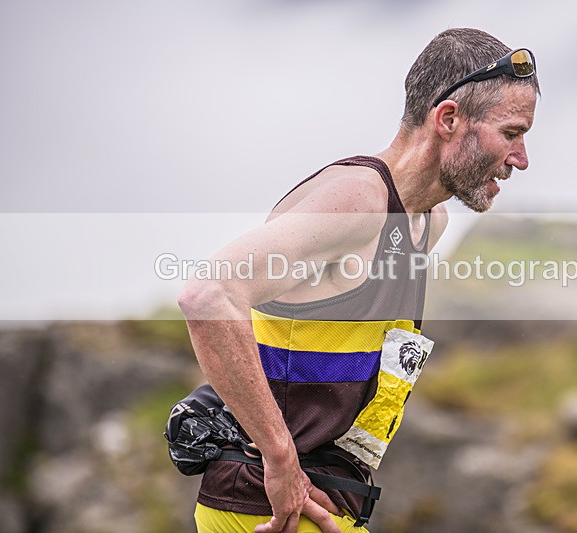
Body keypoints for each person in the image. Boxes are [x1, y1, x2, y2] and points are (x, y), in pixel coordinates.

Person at [178, 27, 540, 533]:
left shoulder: (427, 223)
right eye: (511, 133)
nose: (522, 157)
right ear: (449, 119)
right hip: (268, 509)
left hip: (326, 506)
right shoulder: (358, 202)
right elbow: (208, 295)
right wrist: (281, 460)